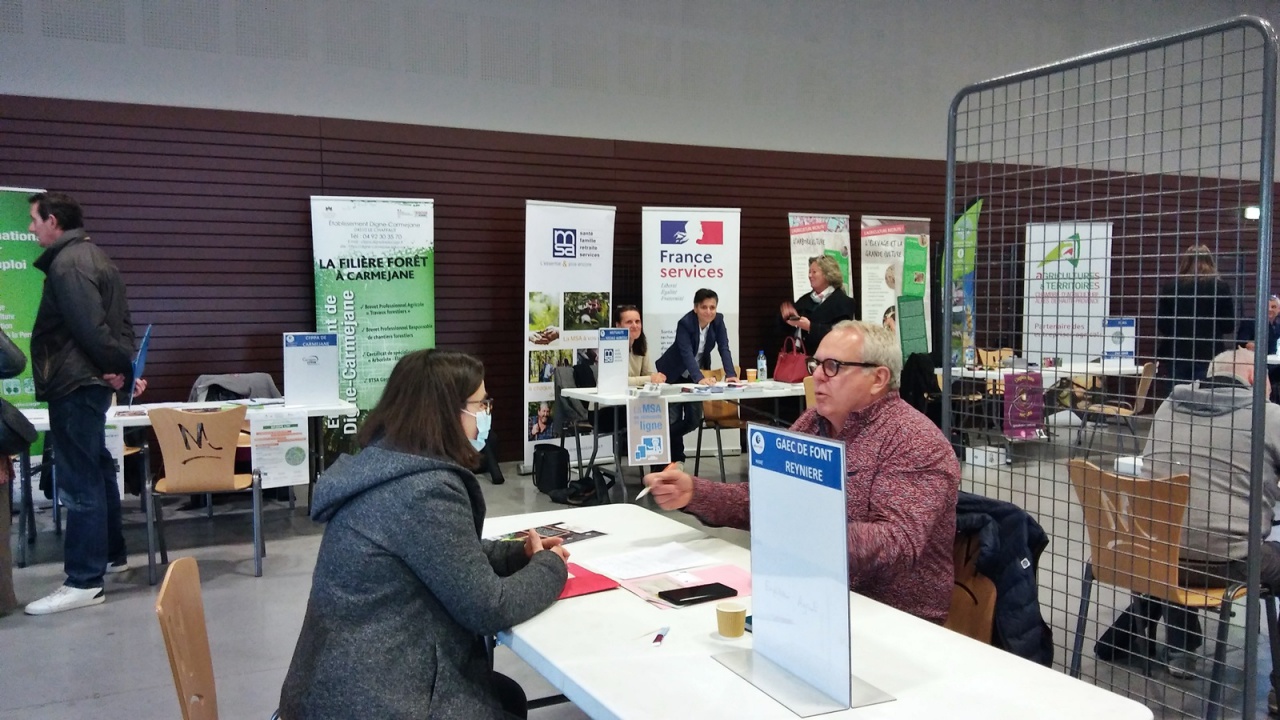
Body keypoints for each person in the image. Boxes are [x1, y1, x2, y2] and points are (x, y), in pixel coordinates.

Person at [280, 349, 569, 719]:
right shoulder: (424, 490)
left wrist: (516, 555)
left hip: (336, 683)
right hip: (371, 700)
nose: (487, 413)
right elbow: (488, 608)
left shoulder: (385, 464)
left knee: (505, 695)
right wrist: (549, 567)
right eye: (481, 404)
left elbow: (441, 552)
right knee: (501, 701)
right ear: (447, 412)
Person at [644, 320, 960, 623]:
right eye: (816, 364)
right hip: (807, 598)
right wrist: (695, 492)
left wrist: (798, 533)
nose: (817, 376)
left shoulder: (915, 441)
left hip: (891, 618)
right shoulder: (813, 422)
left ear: (878, 378)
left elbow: (896, 543)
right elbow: (765, 499)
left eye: (833, 366)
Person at [1097, 349, 1280, 680]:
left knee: (1178, 528)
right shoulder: (1268, 416)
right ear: (1254, 378)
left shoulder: (1168, 407)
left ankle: (1181, 650)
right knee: (1219, 542)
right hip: (1230, 562)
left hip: (1152, 557)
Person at [23, 192, 137, 616]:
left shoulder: (68, 264)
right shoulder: (99, 259)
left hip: (73, 383)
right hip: (90, 382)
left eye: (35, 220)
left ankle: (84, 581)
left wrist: (115, 367)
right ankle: (110, 555)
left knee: (79, 479)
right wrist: (120, 370)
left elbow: (90, 329)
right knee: (98, 467)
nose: (31, 228)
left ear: (53, 221)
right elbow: (122, 326)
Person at [653, 289, 738, 466]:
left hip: (695, 376)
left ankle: (662, 440)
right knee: (673, 418)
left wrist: (731, 374)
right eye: (704, 307)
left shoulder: (718, 321)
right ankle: (672, 461)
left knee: (693, 420)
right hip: (673, 374)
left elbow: (724, 347)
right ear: (695, 308)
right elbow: (686, 354)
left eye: (712, 307)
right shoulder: (685, 323)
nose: (709, 311)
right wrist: (699, 378)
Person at [1156, 244, 1235, 392]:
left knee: (1177, 397)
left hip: (1178, 352)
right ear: (1210, 261)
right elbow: (1228, 325)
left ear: (1185, 262)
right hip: (1209, 352)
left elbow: (1163, 325)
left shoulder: (1171, 287)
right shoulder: (1220, 287)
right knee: (1206, 396)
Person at [778, 255, 857, 354]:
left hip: (828, 358)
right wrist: (786, 316)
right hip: (801, 358)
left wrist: (810, 327)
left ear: (828, 274)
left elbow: (842, 335)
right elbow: (783, 328)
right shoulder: (805, 299)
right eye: (809, 272)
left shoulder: (844, 302)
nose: (810, 275)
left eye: (814, 272)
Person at [1237, 294, 1280, 400]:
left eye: (1273, 307)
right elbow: (1241, 342)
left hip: (1275, 363)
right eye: (1267, 306)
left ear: (1278, 309)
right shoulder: (1250, 323)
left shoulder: (1278, 326)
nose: (1270, 309)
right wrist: (1250, 345)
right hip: (1256, 364)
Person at [616, 304, 665, 386]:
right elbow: (618, 381)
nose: (635, 326)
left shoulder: (641, 344)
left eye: (637, 321)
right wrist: (650, 379)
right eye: (629, 322)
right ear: (618, 325)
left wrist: (656, 378)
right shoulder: (611, 347)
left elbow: (649, 373)